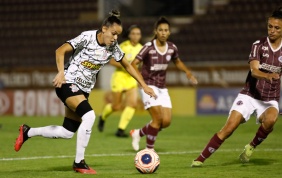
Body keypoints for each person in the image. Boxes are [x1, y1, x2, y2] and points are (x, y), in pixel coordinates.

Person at [14, 10, 156, 174]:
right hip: (67, 82)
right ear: (104, 29)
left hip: (83, 90)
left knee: (67, 132)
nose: (116, 38)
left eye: (118, 35)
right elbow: (60, 51)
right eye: (113, 33)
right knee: (89, 115)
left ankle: (27, 132)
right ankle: (79, 163)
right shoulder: (87, 37)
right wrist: (61, 72)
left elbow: (129, 65)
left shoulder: (113, 48)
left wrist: (144, 85)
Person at [191, 7, 282, 167]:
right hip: (250, 94)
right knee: (229, 128)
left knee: (271, 120)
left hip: (270, 98)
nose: (272, 30)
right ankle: (199, 159)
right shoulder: (259, 45)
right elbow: (254, 71)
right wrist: (267, 75)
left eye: (277, 28)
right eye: (270, 26)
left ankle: (250, 147)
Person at [130, 17, 198, 151]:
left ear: (169, 32)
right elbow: (133, 64)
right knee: (157, 119)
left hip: (162, 87)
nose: (163, 32)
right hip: (148, 86)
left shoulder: (172, 48)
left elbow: (177, 61)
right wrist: (142, 84)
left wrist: (187, 72)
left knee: (166, 122)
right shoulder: (148, 47)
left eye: (166, 30)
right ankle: (150, 151)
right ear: (155, 31)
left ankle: (138, 133)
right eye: (160, 30)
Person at [97, 25, 143, 137]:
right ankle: (103, 116)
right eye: (133, 33)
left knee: (132, 104)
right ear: (129, 35)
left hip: (131, 79)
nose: (136, 36)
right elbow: (112, 61)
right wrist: (126, 66)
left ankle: (120, 130)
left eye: (138, 34)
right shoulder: (123, 46)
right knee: (116, 106)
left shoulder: (142, 48)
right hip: (119, 78)